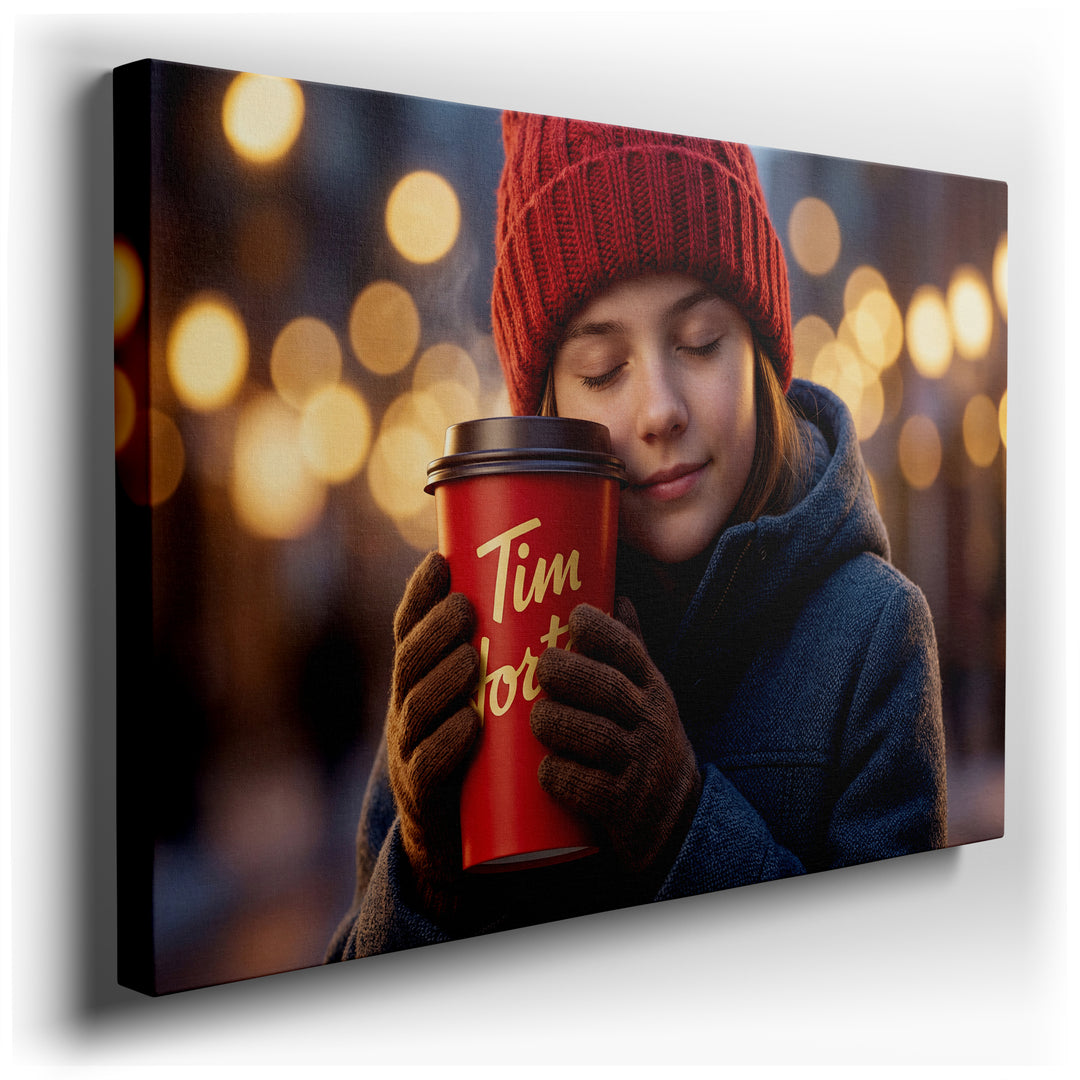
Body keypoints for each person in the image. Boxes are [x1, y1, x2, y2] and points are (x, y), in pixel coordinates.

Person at [325, 111, 947, 962]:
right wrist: (428, 882)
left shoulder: (872, 637)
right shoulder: (478, 648)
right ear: (549, 403)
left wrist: (683, 829)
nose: (659, 409)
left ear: (762, 357)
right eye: (602, 369)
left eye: (700, 342)